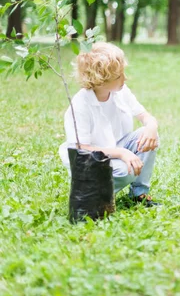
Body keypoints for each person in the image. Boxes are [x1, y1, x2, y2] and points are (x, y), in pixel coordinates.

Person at [58, 42, 160, 206]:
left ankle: (138, 194)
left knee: (147, 136)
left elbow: (144, 116)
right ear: (100, 80)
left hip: (117, 146)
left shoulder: (120, 91)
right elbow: (81, 149)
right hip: (91, 159)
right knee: (125, 170)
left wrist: (152, 126)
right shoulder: (80, 105)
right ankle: (95, 194)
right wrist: (121, 153)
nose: (125, 78)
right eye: (118, 75)